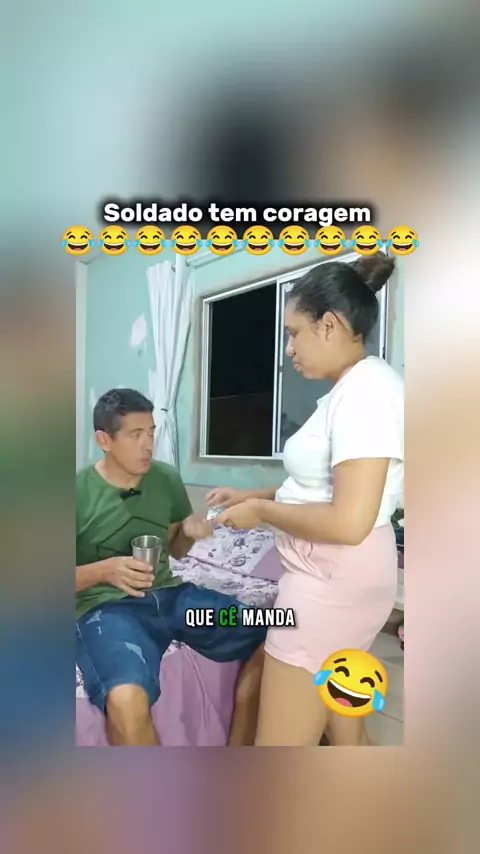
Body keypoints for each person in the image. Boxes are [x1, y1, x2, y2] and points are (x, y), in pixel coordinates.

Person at [207, 253, 403, 746]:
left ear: (329, 325)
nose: (289, 349)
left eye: (294, 333)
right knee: (343, 723)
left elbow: (349, 521)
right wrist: (252, 494)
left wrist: (260, 512)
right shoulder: (354, 390)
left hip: (330, 583)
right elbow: (319, 488)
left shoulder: (365, 395)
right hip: (338, 577)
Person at [76, 389, 265, 746]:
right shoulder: (77, 492)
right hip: (109, 610)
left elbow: (177, 552)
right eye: (135, 435)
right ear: (104, 440)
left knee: (275, 631)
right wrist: (104, 570)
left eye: (151, 432)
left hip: (175, 600)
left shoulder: (165, 478)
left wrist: (189, 534)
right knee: (125, 700)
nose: (148, 445)